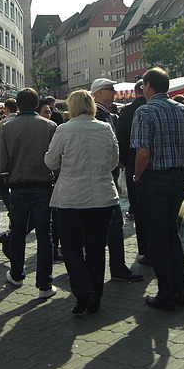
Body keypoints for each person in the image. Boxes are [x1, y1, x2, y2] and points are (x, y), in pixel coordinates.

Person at [131, 67, 184, 310]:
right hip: (180, 179)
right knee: (172, 234)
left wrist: (137, 176)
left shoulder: (145, 111)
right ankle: (180, 287)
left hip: (155, 179)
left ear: (148, 86)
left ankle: (166, 293)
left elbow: (143, 152)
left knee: (158, 237)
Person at [45, 90, 119, 314]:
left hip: (71, 197)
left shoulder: (64, 129)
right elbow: (115, 160)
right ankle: (94, 295)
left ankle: (83, 291)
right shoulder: (105, 128)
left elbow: (51, 161)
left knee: (71, 247)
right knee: (96, 248)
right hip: (102, 196)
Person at [0, 88, 58, 298]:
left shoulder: (7, 127)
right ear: (35, 105)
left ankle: (16, 274)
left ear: (18, 104)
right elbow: (56, 158)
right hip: (44, 185)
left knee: (17, 232)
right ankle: (44, 284)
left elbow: (2, 161)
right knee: (44, 234)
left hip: (18, 186)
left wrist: (7, 180)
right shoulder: (50, 126)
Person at [91, 77, 143, 282]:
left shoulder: (107, 114)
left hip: (103, 177)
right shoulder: (99, 116)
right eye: (109, 89)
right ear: (97, 92)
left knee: (109, 223)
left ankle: (112, 266)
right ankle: (116, 267)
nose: (113, 92)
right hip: (103, 177)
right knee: (112, 223)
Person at [115, 79, 150, 266]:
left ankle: (144, 249)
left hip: (132, 163)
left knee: (138, 208)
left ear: (137, 92)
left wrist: (121, 160)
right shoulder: (166, 108)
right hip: (160, 166)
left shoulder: (127, 111)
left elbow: (120, 137)